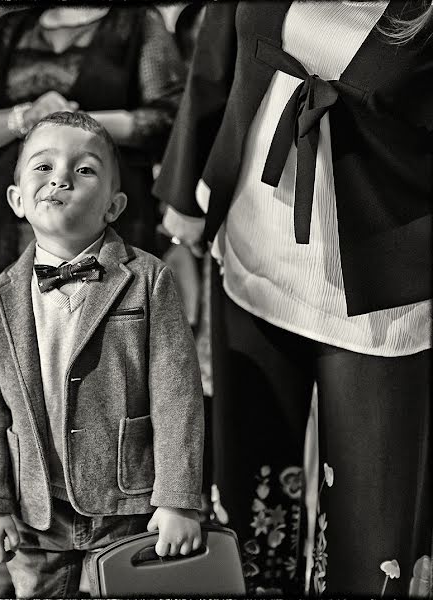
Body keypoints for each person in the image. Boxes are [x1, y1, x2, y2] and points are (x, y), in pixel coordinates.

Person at [153, 1, 432, 594]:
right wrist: (182, 223)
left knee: (370, 545)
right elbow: (214, 68)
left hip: (384, 303)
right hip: (253, 261)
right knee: (248, 512)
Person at [0, 112, 205, 597]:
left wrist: (178, 500)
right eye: (43, 166)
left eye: (84, 170)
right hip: (37, 514)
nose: (60, 178)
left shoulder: (148, 279)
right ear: (15, 200)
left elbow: (177, 396)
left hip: (126, 506)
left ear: (114, 206)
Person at [0, 6, 185, 287]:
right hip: (15, 222)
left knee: (109, 320)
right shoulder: (12, 27)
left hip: (104, 213)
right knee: (12, 319)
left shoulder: (137, 22)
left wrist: (71, 124)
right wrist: (28, 115)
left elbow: (166, 118)